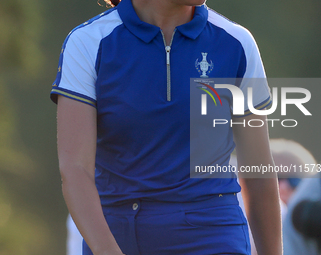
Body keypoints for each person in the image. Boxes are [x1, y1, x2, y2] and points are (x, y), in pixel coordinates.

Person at [51, 0, 282, 254]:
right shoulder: (89, 42)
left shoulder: (236, 42)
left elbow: (259, 172)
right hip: (120, 235)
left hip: (214, 230)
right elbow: (75, 169)